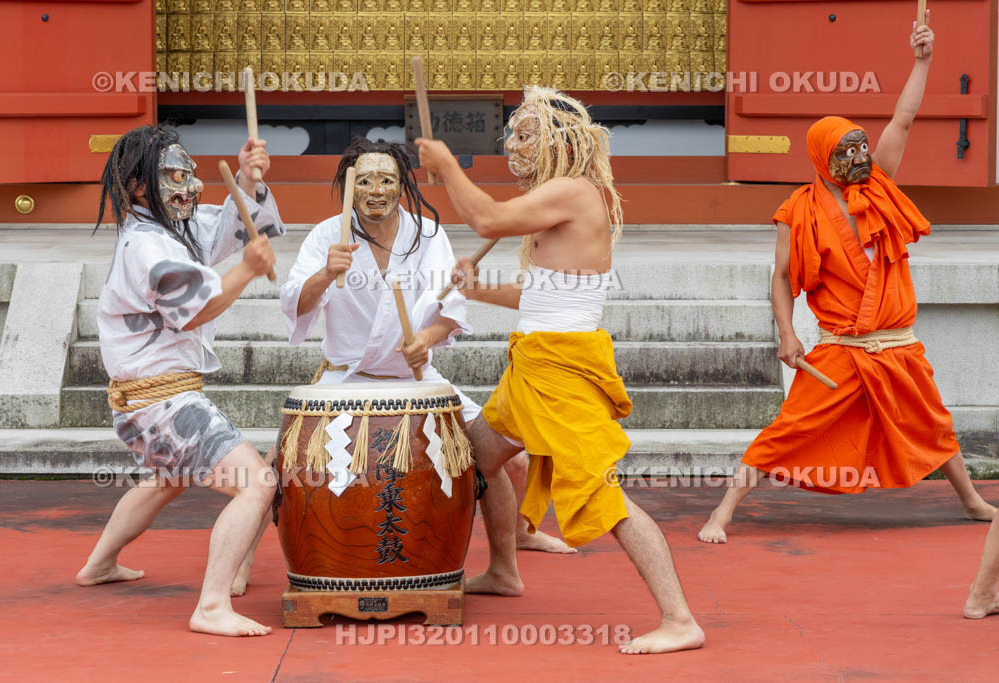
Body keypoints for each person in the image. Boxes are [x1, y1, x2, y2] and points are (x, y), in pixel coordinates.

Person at [415, 86, 705, 654]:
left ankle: (680, 618)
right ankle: (504, 569)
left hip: (563, 372)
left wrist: (448, 165)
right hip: (535, 363)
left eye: (527, 134)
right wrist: (478, 290)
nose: (516, 143)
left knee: (604, 495)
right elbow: (544, 294)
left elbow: (487, 218)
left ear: (561, 141)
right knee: (479, 453)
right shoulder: (563, 197)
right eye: (514, 134)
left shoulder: (573, 191)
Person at [698, 14, 995, 544]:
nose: (860, 157)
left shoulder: (877, 185)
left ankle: (972, 501)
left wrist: (922, 61)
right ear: (823, 157)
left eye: (861, 147)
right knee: (790, 427)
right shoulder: (798, 209)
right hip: (841, 345)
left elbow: (902, 121)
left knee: (933, 422)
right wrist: (788, 335)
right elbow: (782, 277)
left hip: (896, 345)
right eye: (848, 151)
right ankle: (723, 512)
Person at [279, 137, 573, 553]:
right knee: (292, 466)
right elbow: (295, 303)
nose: (376, 190)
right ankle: (251, 556)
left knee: (514, 459)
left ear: (403, 187)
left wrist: (426, 340)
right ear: (349, 186)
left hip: (415, 376)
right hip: (346, 377)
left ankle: (519, 535)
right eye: (364, 181)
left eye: (386, 180)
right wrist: (326, 274)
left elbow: (448, 308)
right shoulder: (328, 234)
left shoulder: (428, 234)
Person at [76, 126, 286, 637]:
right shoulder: (146, 244)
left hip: (149, 399)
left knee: (167, 480)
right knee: (258, 483)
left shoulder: (172, 230)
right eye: (176, 175)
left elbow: (229, 227)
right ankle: (212, 605)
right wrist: (246, 272)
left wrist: (247, 176)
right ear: (139, 186)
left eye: (190, 173)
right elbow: (191, 314)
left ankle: (99, 565)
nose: (191, 187)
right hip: (160, 401)